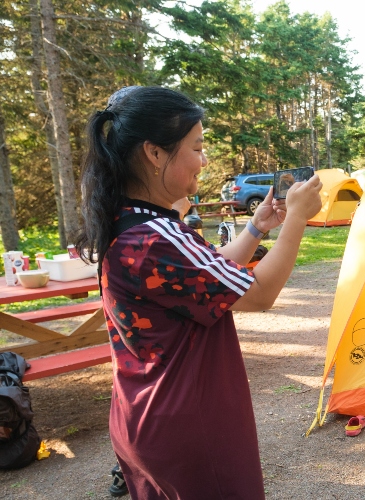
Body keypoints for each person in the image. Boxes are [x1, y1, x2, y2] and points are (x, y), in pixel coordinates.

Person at [76, 86, 322, 499]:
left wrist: (257, 228)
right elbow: (260, 294)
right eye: (198, 146)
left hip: (145, 413)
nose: (204, 160)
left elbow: (207, 274)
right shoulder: (158, 238)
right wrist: (297, 217)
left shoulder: (132, 224)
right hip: (190, 425)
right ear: (155, 154)